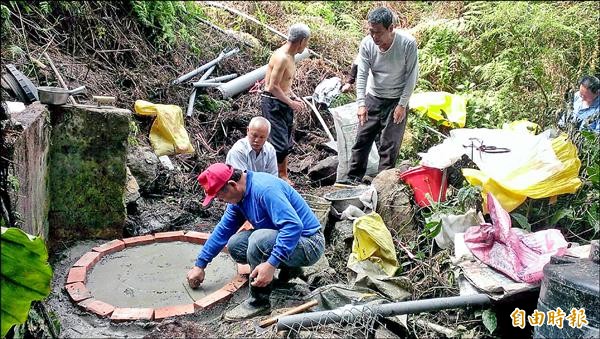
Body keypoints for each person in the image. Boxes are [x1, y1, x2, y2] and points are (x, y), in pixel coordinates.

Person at [186, 163, 324, 320]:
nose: (221, 201)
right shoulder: (239, 198)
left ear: (232, 185)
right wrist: (200, 265)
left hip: (309, 243)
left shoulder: (264, 189)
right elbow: (222, 230)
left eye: (220, 197)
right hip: (287, 239)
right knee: (236, 244)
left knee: (258, 240)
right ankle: (290, 269)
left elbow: (293, 227)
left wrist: (271, 263)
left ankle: (258, 302)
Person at [345, 7, 419, 184]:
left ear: (391, 28)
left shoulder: (407, 43)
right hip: (374, 96)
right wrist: (361, 103)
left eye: (378, 33)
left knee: (389, 145)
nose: (374, 37)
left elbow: (412, 76)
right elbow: (362, 74)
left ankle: (381, 184)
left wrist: (402, 104)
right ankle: (352, 179)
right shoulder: (367, 44)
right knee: (362, 138)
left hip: (396, 99)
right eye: (371, 32)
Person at [261, 23, 311, 186]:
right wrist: (291, 102)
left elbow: (284, 85)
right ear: (302, 41)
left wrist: (294, 98)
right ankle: (274, 176)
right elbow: (272, 86)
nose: (307, 45)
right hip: (273, 103)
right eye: (307, 42)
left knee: (287, 142)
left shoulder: (291, 56)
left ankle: (283, 174)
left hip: (283, 102)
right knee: (279, 144)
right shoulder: (282, 57)